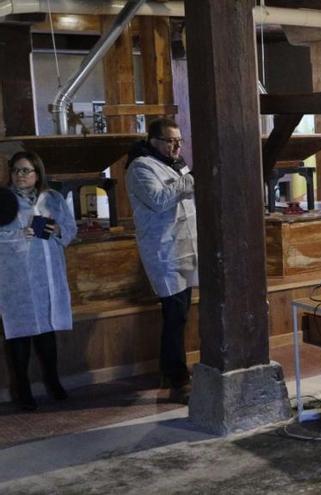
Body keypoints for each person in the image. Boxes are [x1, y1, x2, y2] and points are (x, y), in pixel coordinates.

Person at [126, 118, 197, 404]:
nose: (177, 146)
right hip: (164, 250)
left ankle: (174, 371)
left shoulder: (176, 165)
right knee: (174, 314)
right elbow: (158, 199)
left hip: (185, 247)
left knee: (180, 313)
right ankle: (176, 377)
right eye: (171, 141)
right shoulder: (141, 167)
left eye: (180, 141)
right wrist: (190, 179)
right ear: (153, 141)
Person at [0, 151, 76, 411]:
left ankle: (52, 380)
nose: (20, 175)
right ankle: (22, 388)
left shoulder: (53, 198)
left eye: (25, 170)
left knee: (47, 330)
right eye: (16, 170)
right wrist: (20, 234)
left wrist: (58, 230)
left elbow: (70, 228)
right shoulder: (3, 200)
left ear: (37, 173)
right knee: (19, 334)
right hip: (16, 278)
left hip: (47, 274)